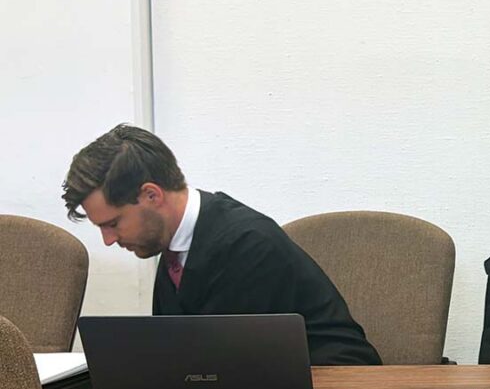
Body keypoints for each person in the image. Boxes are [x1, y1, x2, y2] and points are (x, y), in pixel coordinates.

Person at [61, 124, 382, 366]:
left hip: (334, 387)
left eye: (113, 223)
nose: (108, 240)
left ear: (151, 195)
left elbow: (226, 367)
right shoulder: (173, 245)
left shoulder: (248, 244)